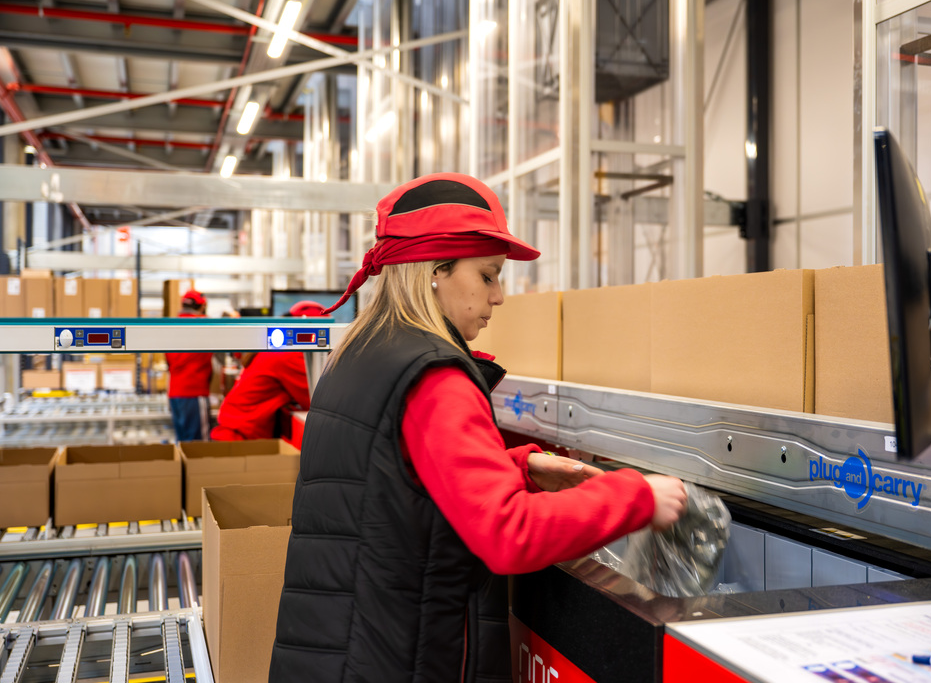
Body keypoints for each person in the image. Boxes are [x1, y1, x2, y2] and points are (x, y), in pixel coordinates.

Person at [269, 173, 687, 682]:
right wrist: (638, 497)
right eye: (488, 275)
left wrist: (521, 467)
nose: (499, 296)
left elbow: (392, 485)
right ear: (435, 271)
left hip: (335, 652)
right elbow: (507, 534)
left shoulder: (356, 354)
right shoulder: (434, 374)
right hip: (401, 662)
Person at [208, 300, 321, 441]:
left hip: (235, 431)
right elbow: (317, 399)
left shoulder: (278, 349)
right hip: (239, 437)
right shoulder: (287, 354)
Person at [165, 289, 213, 442]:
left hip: (174, 393)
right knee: (198, 449)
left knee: (183, 445)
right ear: (202, 307)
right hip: (194, 392)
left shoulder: (171, 326)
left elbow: (168, 360)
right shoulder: (204, 324)